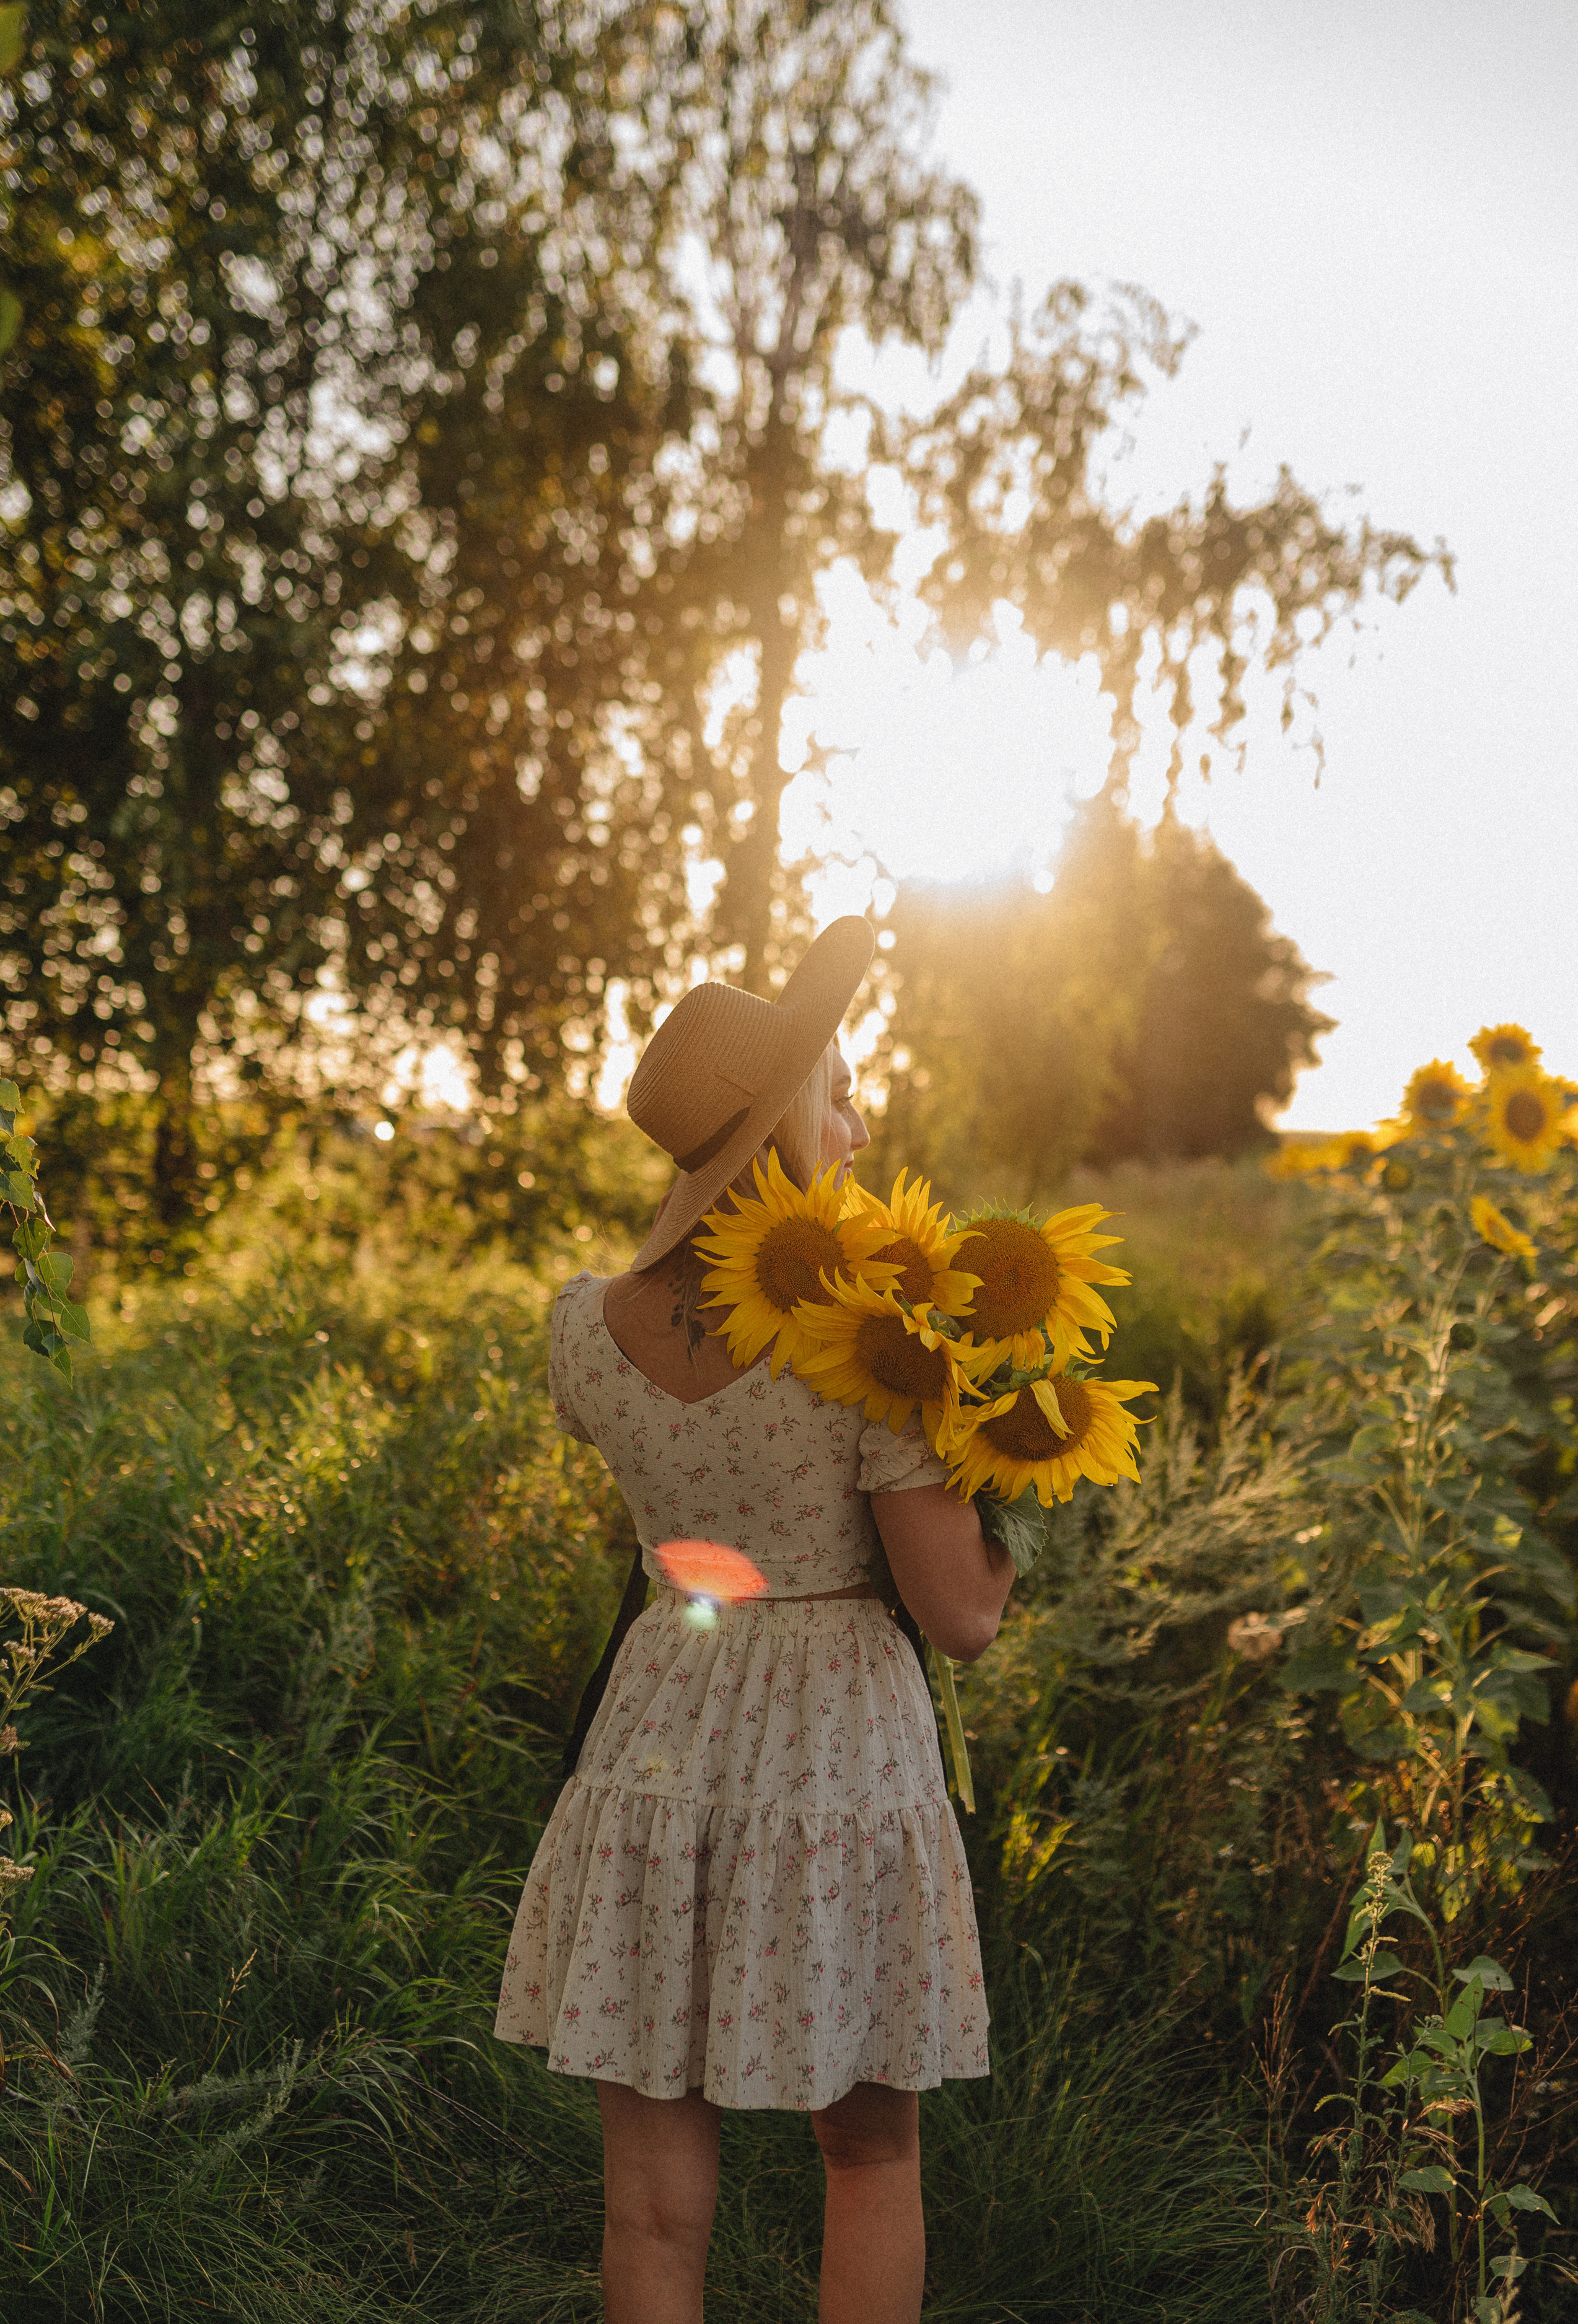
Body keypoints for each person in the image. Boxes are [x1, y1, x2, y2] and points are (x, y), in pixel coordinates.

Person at [494, 917, 1016, 2324]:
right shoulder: (867, 1337)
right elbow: (957, 1615)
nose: (856, 1122)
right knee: (865, 2150)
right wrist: (1005, 1489)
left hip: (660, 1723)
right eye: (836, 1091)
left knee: (651, 2207)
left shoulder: (581, 1328)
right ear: (781, 1124)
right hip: (831, 1754)